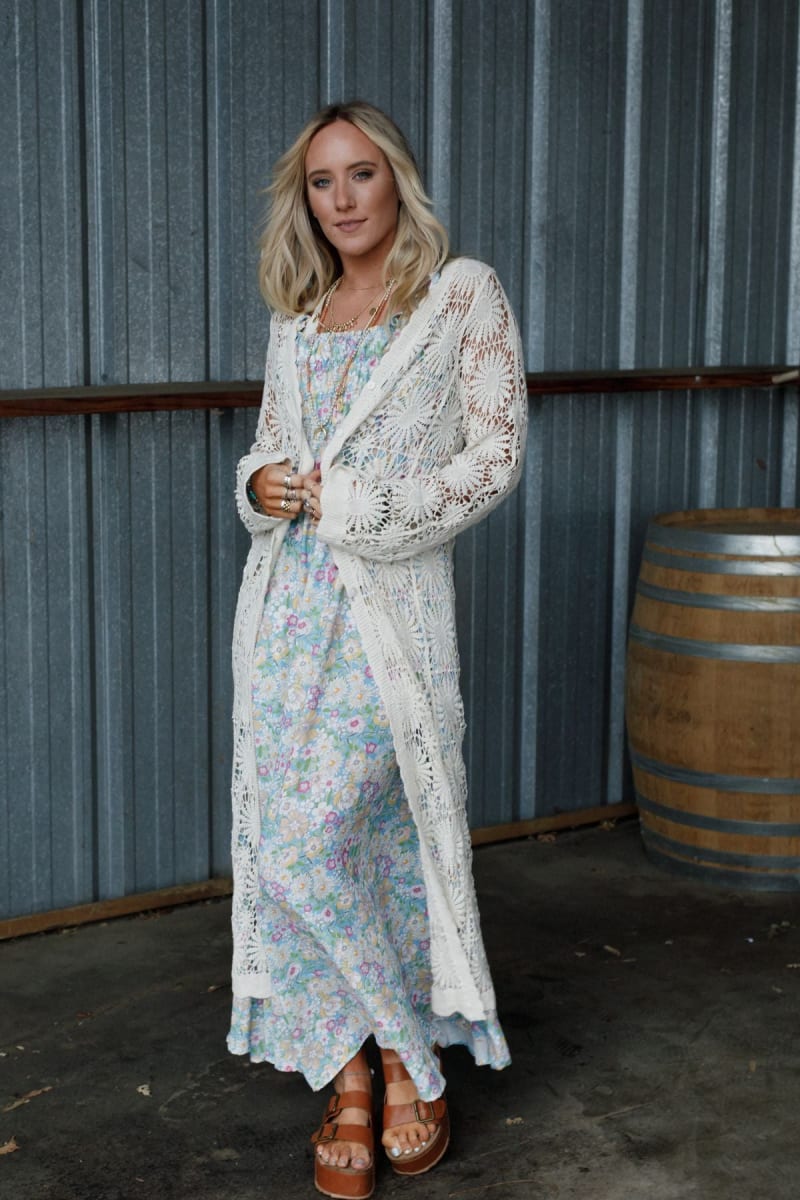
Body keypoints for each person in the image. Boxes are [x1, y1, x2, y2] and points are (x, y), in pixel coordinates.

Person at [227, 99, 527, 1199]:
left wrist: (358, 504)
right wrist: (260, 485)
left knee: (326, 842)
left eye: (360, 174)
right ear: (303, 200)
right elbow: (270, 448)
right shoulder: (298, 318)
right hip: (282, 618)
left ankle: (408, 1055)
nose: (342, 198)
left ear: (396, 178)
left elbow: (493, 457)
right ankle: (356, 1072)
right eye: (321, 181)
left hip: (387, 621)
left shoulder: (461, 296)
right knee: (310, 843)